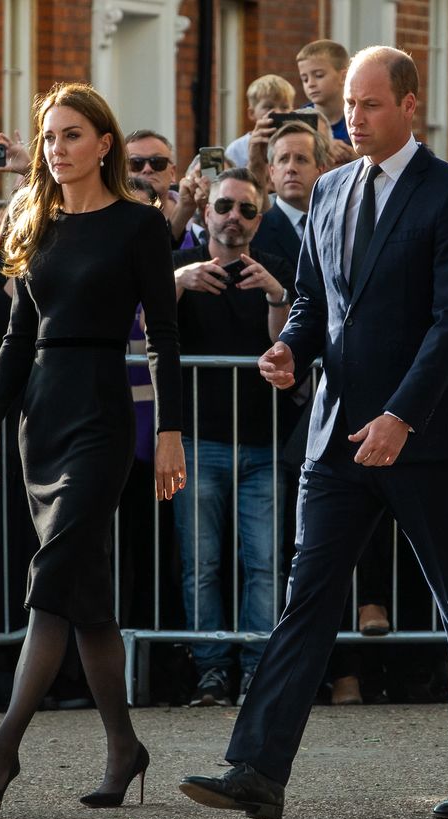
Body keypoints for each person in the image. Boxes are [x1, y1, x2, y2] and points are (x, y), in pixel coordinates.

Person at [179, 46, 448, 819]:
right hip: (334, 436)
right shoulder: (329, 189)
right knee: (306, 600)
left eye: (367, 105)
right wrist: (289, 349)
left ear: (408, 104)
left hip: (417, 436)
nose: (352, 118)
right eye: (348, 107)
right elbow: (313, 301)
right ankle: (257, 769)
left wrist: (402, 414)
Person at [0, 82, 185, 811]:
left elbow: (164, 337)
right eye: (50, 137)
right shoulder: (37, 219)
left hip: (101, 413)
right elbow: (17, 334)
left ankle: (5, 746)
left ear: (105, 144)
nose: (57, 149)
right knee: (84, 593)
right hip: (41, 418)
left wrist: (174, 432)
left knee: (53, 575)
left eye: (72, 135)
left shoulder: (139, 224)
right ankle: (124, 746)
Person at [171, 167, 293, 708]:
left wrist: (274, 294)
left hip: (264, 445)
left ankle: (259, 670)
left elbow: (284, 346)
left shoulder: (278, 272)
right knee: (203, 564)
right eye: (224, 207)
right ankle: (211, 671)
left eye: (246, 210)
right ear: (205, 213)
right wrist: (177, 282)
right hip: (198, 441)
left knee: (264, 564)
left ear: (259, 219)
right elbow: (147, 331)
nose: (234, 218)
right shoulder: (177, 269)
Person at [251, 120, 330, 265]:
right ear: (272, 172)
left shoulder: (337, 225)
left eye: (301, 159)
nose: (291, 168)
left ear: (321, 170)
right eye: (283, 159)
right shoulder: (255, 232)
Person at [226, 74, 296, 169]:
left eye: (284, 107)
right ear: (251, 113)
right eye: (268, 107)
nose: (278, 112)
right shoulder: (237, 149)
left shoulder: (298, 143)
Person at [296, 39, 351, 146]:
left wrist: (354, 157)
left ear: (343, 77)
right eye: (305, 79)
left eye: (319, 75)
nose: (310, 84)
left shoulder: (358, 117)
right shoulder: (298, 120)